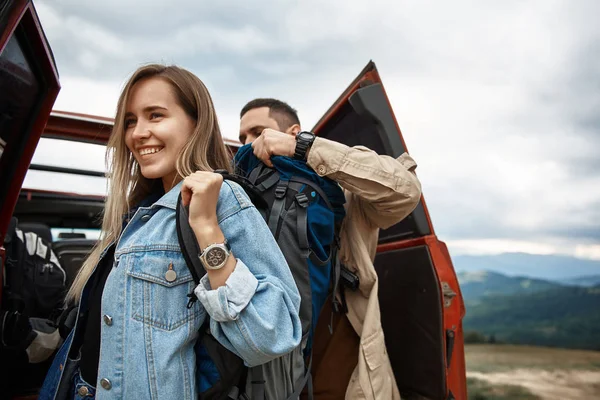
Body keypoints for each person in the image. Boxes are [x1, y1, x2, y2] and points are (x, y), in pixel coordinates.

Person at [39, 67, 302, 400]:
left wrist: (207, 230)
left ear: (196, 123)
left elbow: (272, 333)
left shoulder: (221, 199)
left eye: (156, 115)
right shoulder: (138, 215)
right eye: (131, 121)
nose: (137, 133)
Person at [239, 98, 422, 399]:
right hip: (264, 360)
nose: (250, 143)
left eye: (258, 131)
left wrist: (304, 149)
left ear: (293, 131)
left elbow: (405, 191)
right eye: (243, 136)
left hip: (339, 359)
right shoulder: (241, 196)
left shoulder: (342, 191)